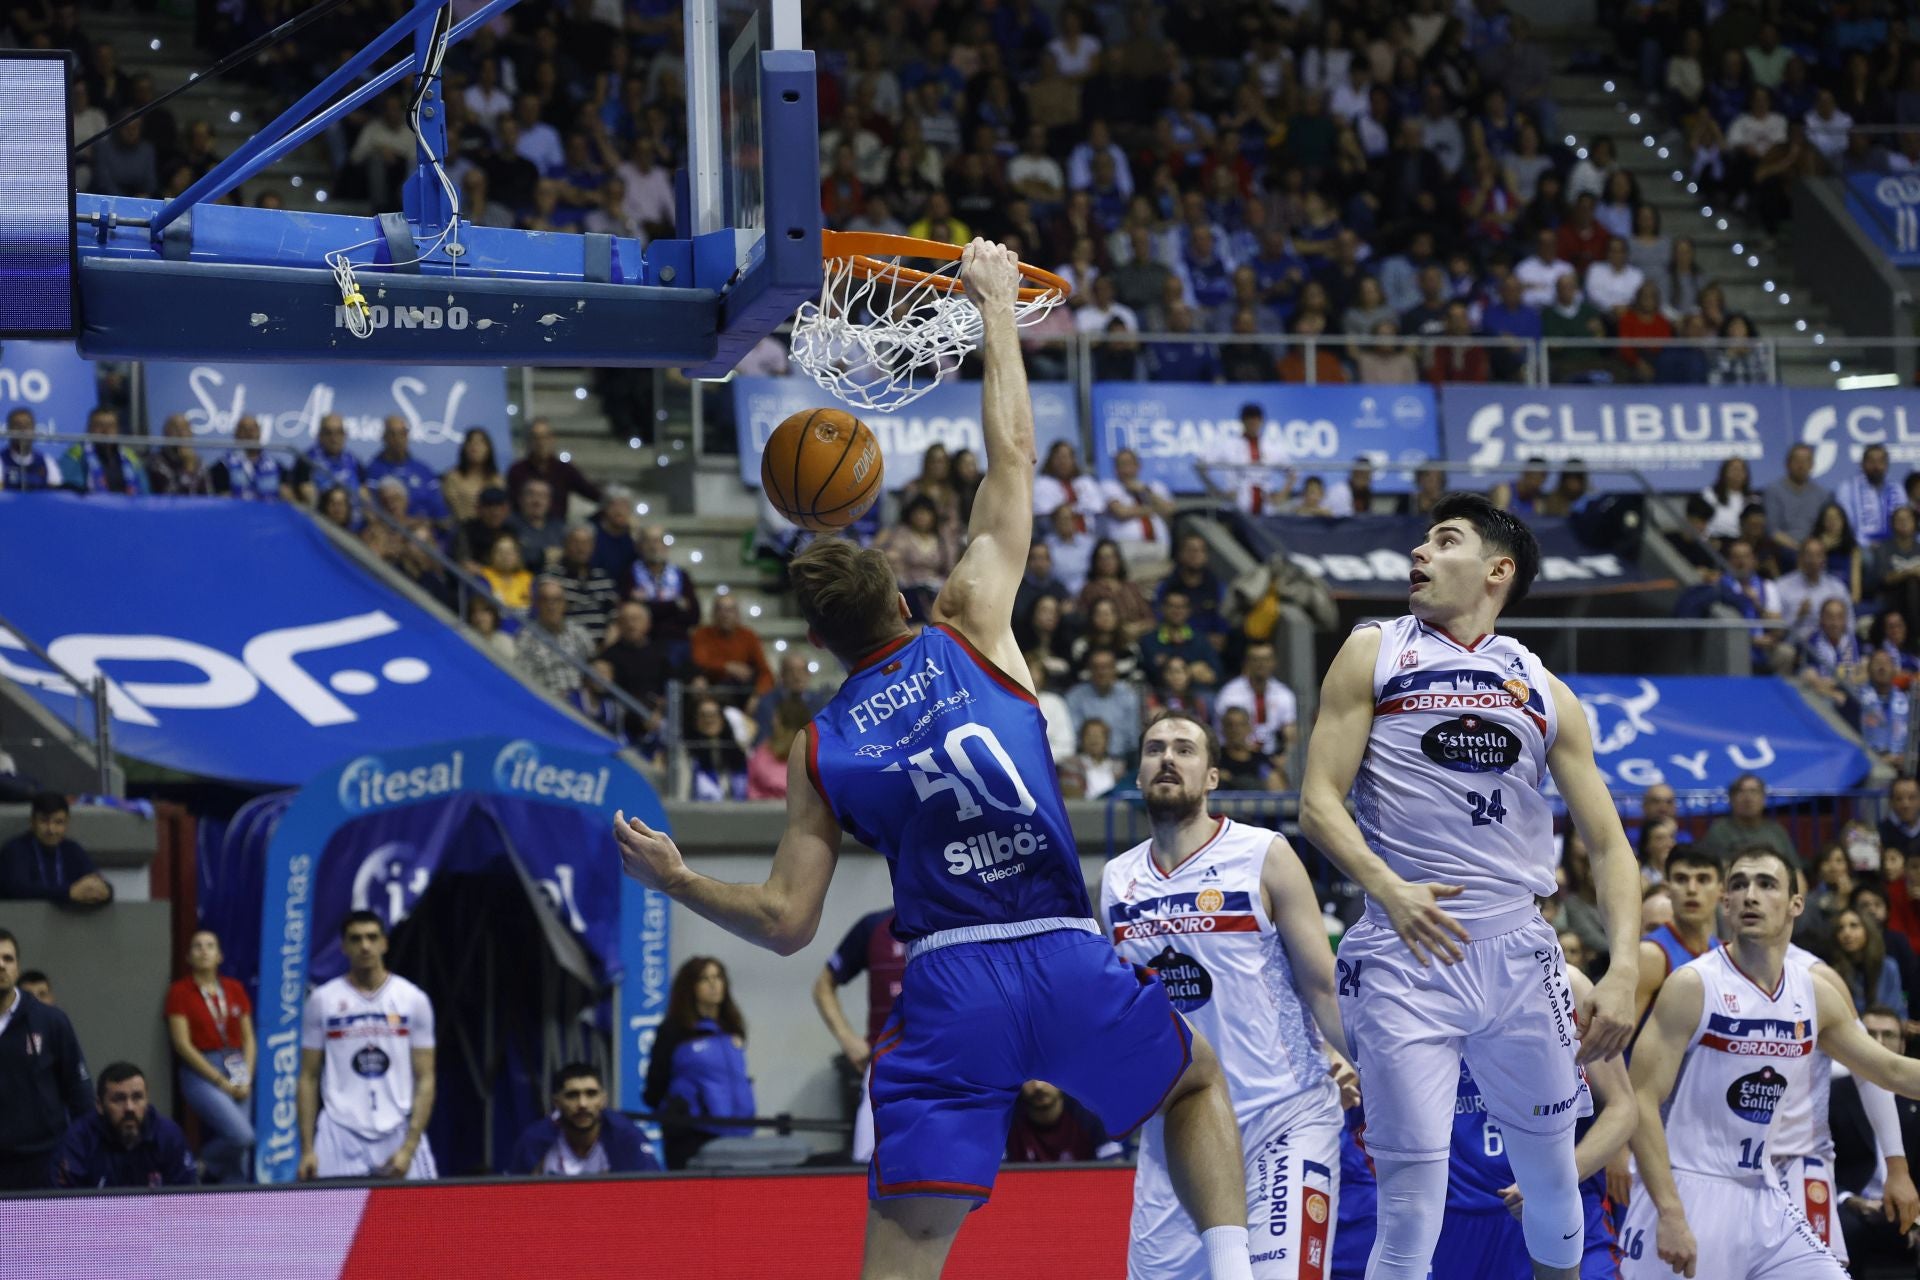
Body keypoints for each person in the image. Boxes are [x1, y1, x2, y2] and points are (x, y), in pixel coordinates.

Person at [612, 241, 1255, 1280]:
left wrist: (678, 875)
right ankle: (1236, 1270)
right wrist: (997, 307)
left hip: (949, 983)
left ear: (820, 643)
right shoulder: (967, 626)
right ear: (903, 596)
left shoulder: (817, 743)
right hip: (1059, 944)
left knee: (912, 1236)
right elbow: (1012, 454)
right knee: (1192, 1083)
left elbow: (785, 925)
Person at [1299, 493, 1640, 1280]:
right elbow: (1317, 802)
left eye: (1442, 540)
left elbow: (1608, 844)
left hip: (1518, 951)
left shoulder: (1542, 686)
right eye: (1420, 540)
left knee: (1553, 1181)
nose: (1419, 552)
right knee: (1413, 1201)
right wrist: (1389, 889)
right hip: (1402, 951)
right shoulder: (1375, 650)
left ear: (1497, 570)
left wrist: (1622, 967)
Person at [1103, 710, 1356, 1280]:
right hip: (1178, 1128)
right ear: (1138, 776)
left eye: (1185, 749)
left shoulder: (1264, 853)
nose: (1168, 757)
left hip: (1282, 1116)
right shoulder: (1116, 881)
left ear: (1213, 777)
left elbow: (1322, 984)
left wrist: (1365, 1062)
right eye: (1154, 749)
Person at [1621, 849, 1920, 1279]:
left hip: (1765, 1194)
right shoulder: (1693, 985)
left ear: (1796, 904)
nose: (1750, 895)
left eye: (1766, 884)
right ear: (1726, 904)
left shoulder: (1814, 993)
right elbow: (1641, 1101)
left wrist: (1896, 1163)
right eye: (1739, 885)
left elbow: (1890, 1071)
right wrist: (1669, 1211)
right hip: (1687, 1189)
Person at [1430, 966, 1636, 1280]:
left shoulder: (1566, 981)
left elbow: (1623, 1107)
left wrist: (1554, 1181)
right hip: (1464, 1218)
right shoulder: (1428, 986)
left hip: (1566, 1202)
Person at [296, 912, 437, 1181]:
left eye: (372, 938)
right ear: (343, 947)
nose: (365, 946)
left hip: (398, 1126)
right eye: (356, 939)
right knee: (331, 1221)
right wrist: (307, 1149)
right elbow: (308, 1077)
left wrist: (408, 1148)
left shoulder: (413, 999)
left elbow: (426, 1077)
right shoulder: (322, 1000)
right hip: (340, 1129)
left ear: (384, 943)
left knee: (421, 1219)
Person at [814, 908, 908, 1165]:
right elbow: (823, 985)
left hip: (948, 1063)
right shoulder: (874, 926)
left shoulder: (957, 917)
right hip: (887, 1063)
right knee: (868, 1162)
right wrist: (848, 1039)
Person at [643, 956, 755, 1170]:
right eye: (705, 979)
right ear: (690, 987)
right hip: (691, 1139)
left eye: (718, 977)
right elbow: (655, 1086)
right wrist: (677, 1114)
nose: (714, 984)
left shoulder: (732, 1028)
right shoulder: (673, 1031)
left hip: (738, 1134)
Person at [0, 929, 91, 1189]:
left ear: (17, 968)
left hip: (42, 1160)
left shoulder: (50, 1021)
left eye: (8, 958)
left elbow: (78, 1091)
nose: (1, 965)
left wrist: (80, 1153)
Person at [165, 928, 256, 1184]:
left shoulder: (234, 989)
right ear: (189, 957)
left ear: (220, 956)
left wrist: (246, 1077)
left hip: (237, 1065)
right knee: (242, 1136)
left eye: (210, 946)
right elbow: (182, 1045)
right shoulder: (180, 992)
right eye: (197, 946)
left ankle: (235, 1208)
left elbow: (249, 1038)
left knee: (240, 1157)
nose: (204, 951)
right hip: (201, 1070)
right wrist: (220, 1081)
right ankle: (196, 1166)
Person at [51, 1062, 196, 1189]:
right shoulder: (79, 1139)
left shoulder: (168, 1136)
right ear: (99, 1105)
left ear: (147, 1100)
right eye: (119, 1099)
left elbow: (188, 1199)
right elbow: (63, 1204)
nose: (129, 1108)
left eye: (137, 1097)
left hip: (155, 1219)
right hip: (96, 1219)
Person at [506, 1062, 661, 1176]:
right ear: (556, 1102)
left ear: (603, 1100)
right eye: (572, 1095)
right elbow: (513, 1197)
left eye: (591, 1094)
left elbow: (652, 1194)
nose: (582, 1104)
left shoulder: (626, 1136)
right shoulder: (534, 1140)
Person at [0, 792, 112, 905]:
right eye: (44, 821)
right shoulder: (15, 850)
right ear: (32, 822)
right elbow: (17, 890)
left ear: (67, 823)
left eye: (58, 822)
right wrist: (68, 893)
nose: (51, 830)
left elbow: (99, 882)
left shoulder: (72, 849)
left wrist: (103, 890)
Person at [1697, 773, 1800, 870]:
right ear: (1731, 799)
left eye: (1754, 791)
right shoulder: (1719, 830)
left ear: (1763, 799)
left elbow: (1796, 870)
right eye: (1741, 792)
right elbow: (1711, 870)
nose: (1748, 798)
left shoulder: (1777, 831)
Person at [515, 577, 595, 699]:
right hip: (548, 704)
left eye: (557, 600)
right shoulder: (526, 638)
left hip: (581, 703)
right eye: (545, 600)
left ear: (564, 604)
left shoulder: (579, 633)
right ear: (537, 604)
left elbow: (594, 670)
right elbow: (525, 682)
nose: (551, 606)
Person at [1004, 1079, 1120, 1163]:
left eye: (1046, 1077)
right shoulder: (1005, 1122)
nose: (1038, 1086)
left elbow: (1114, 1168)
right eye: (1029, 1078)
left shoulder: (1091, 1117)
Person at [1214, 643, 1296, 760]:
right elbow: (1225, 731)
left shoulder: (1284, 694)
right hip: (1238, 755)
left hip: (1273, 755)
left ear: (1274, 662)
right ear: (1246, 663)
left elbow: (1290, 732)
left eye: (1266, 659)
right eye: (1256, 660)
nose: (1261, 664)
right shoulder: (1230, 693)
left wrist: (1286, 757)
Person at [363, 416, 449, 524]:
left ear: (408, 436)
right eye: (392, 434)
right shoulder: (372, 472)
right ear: (384, 437)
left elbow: (441, 513)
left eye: (402, 433)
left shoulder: (424, 471)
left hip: (425, 532)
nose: (398, 439)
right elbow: (370, 511)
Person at [689, 595, 774, 701]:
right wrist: (727, 667)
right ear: (713, 614)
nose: (725, 615)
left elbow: (765, 672)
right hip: (711, 689)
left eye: (730, 610)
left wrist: (757, 696)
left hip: (743, 693)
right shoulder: (702, 635)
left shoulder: (748, 636)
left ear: (738, 615)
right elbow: (699, 662)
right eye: (720, 610)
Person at [506, 418, 602, 510]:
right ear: (528, 441)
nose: (541, 443)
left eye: (545, 437)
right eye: (536, 438)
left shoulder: (565, 470)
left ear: (552, 439)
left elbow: (594, 494)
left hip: (557, 524)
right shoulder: (517, 471)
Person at [441, 427, 503, 525]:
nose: (475, 446)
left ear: (489, 449)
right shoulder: (453, 478)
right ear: (464, 448)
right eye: (471, 442)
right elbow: (455, 512)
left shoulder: (497, 480)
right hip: (463, 530)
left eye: (481, 442)